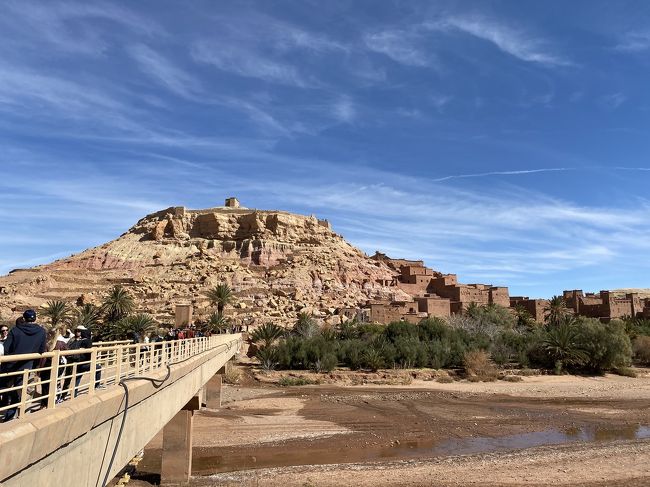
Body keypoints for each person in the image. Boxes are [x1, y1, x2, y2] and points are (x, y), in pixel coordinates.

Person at [0, 310, 47, 422]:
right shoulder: (41, 332)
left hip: (11, 367)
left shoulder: (16, 330)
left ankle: (9, 415)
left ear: (24, 318)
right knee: (25, 393)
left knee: (10, 391)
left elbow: (6, 348)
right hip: (28, 366)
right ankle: (19, 416)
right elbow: (41, 350)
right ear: (35, 319)